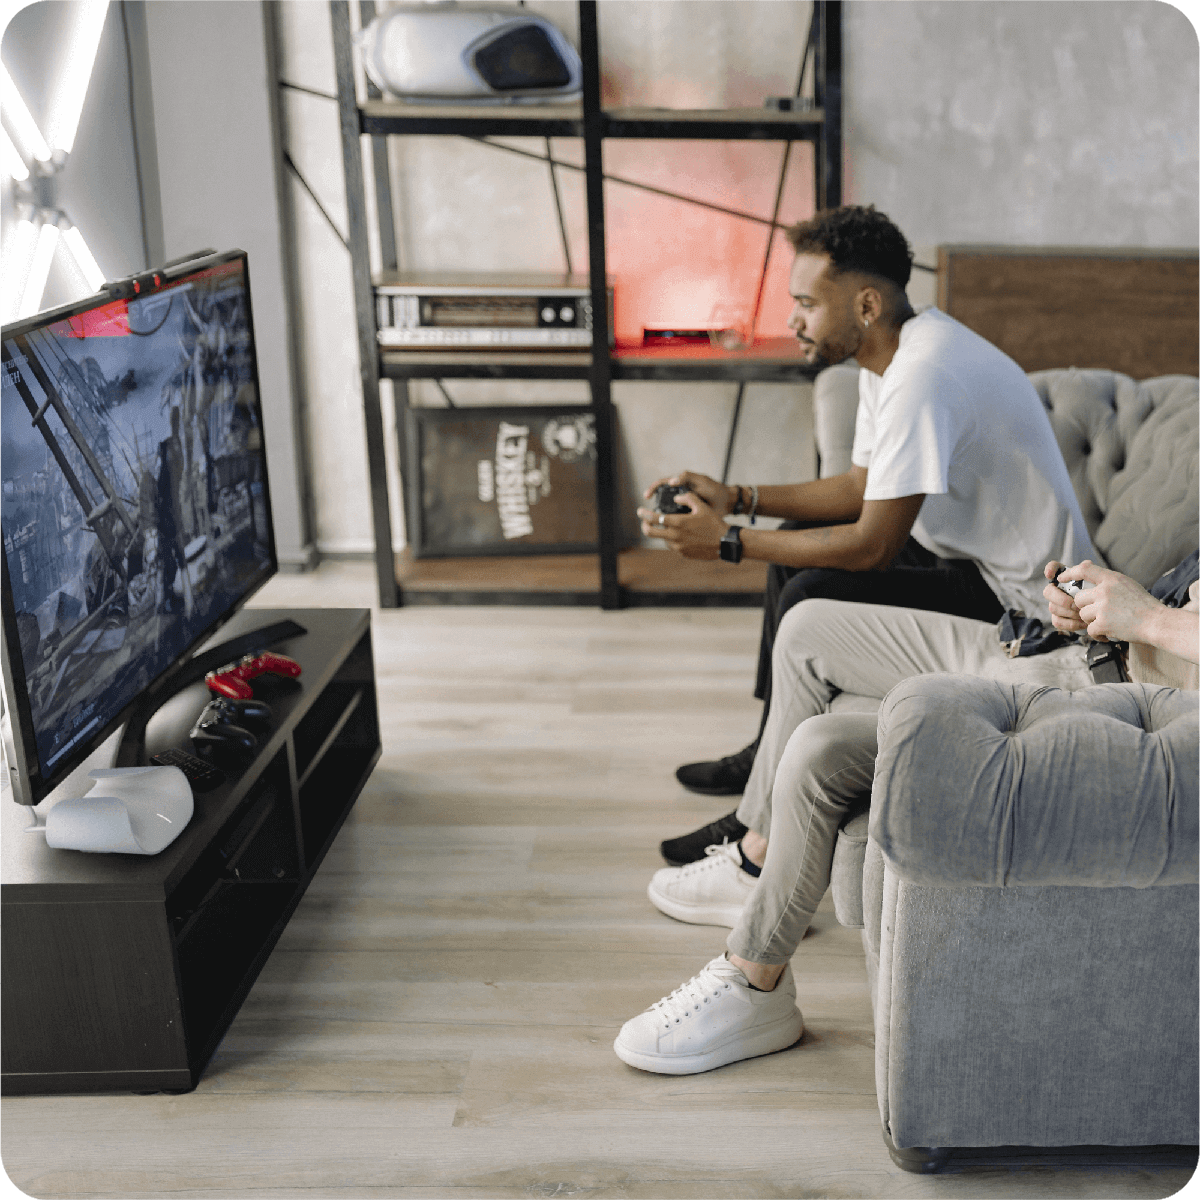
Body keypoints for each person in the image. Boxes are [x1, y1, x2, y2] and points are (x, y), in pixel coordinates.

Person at [613, 548, 1200, 1075]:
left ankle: (752, 976)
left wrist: (1149, 618)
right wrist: (1102, 610)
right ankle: (754, 888)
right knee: (808, 627)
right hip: (1071, 658)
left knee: (820, 748)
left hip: (1113, 721)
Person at [640, 205, 1091, 858]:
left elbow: (873, 545)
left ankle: (753, 821)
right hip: (965, 560)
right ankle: (765, 746)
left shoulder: (923, 373)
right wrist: (737, 497)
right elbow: (858, 488)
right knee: (795, 541)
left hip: (1023, 602)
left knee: (809, 590)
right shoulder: (889, 358)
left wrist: (727, 541)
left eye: (806, 303)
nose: (793, 320)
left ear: (867, 305)